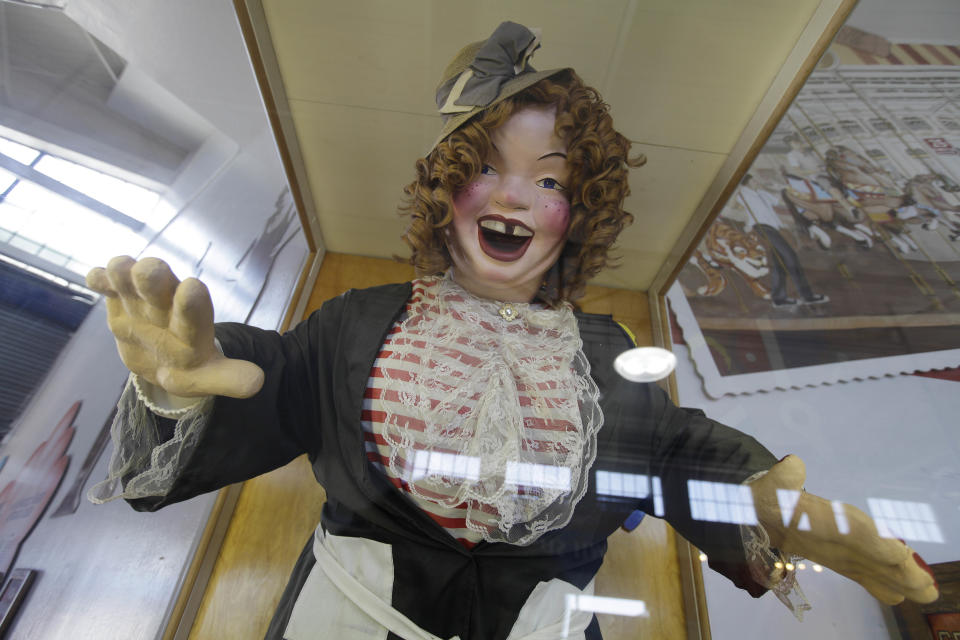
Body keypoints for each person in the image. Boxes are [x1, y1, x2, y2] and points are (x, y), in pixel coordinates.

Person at [86, 22, 937, 640]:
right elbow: (270, 380)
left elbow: (678, 451)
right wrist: (183, 377)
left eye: (548, 179)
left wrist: (768, 506)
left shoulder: (610, 353)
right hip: (345, 616)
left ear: (577, 213)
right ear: (449, 192)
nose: (513, 195)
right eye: (485, 167)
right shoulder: (352, 322)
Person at [737, 174, 828, 307]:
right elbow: (736, 208)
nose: (757, 181)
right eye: (754, 180)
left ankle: (779, 298)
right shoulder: (742, 195)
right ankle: (807, 296)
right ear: (748, 182)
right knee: (791, 257)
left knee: (779, 262)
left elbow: (777, 202)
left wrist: (777, 188)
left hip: (774, 228)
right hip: (762, 228)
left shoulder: (761, 193)